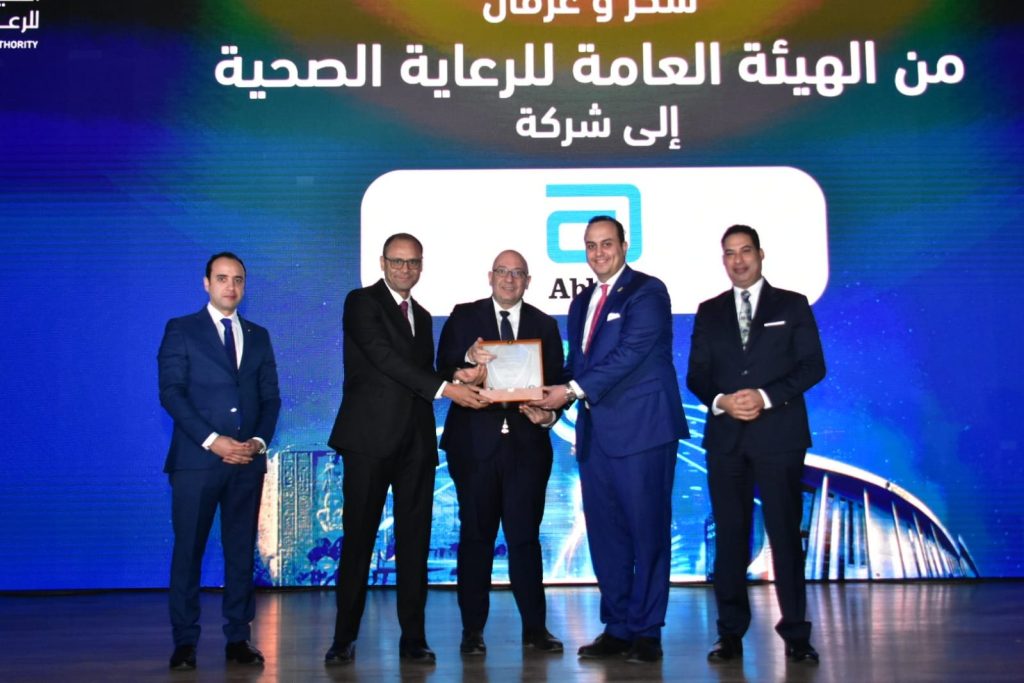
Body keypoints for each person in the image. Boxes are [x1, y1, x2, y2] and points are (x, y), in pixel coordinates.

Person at [325, 233, 489, 666]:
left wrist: (460, 372)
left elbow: (422, 371)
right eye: (397, 261)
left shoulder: (423, 315)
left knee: (415, 543)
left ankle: (413, 638)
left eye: (412, 262)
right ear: (382, 263)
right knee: (359, 540)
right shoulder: (361, 302)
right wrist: (446, 388)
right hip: (368, 441)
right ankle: (343, 638)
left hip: (415, 443)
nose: (405, 269)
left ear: (421, 266)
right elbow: (385, 358)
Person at [532, 216, 689, 664]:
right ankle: (618, 627)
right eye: (591, 245)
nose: (598, 252)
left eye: (606, 244)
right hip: (597, 436)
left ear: (624, 245)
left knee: (647, 532)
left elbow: (631, 353)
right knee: (606, 537)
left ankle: (647, 631)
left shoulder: (648, 292)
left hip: (644, 431)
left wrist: (569, 391)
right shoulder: (582, 302)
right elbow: (578, 368)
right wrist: (551, 406)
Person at [686, 224, 826, 665]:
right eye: (730, 253)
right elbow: (697, 376)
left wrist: (764, 397)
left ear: (760, 255)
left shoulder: (792, 304)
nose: (738, 260)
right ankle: (729, 634)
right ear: (722, 260)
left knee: (784, 535)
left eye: (745, 251)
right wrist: (722, 401)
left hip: (779, 437)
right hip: (726, 439)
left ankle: (796, 634)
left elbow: (813, 366)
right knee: (729, 538)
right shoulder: (709, 311)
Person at [436, 250, 566, 657]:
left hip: (527, 447)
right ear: (490, 276)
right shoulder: (464, 316)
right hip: (474, 447)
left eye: (518, 273)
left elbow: (558, 384)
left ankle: (535, 629)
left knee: (525, 539)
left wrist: (550, 416)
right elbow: (443, 368)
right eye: (503, 272)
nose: (510, 279)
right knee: (476, 539)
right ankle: (472, 631)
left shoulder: (545, 324)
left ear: (528, 281)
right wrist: (466, 361)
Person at [158, 252, 281, 671]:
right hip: (197, 462)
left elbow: (270, 397)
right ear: (206, 283)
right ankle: (185, 643)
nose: (231, 286)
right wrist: (214, 442)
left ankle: (238, 639)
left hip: (247, 462)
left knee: (241, 552)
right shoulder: (181, 329)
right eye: (223, 278)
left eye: (238, 279)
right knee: (188, 551)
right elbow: (171, 393)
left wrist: (258, 442)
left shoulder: (259, 335)